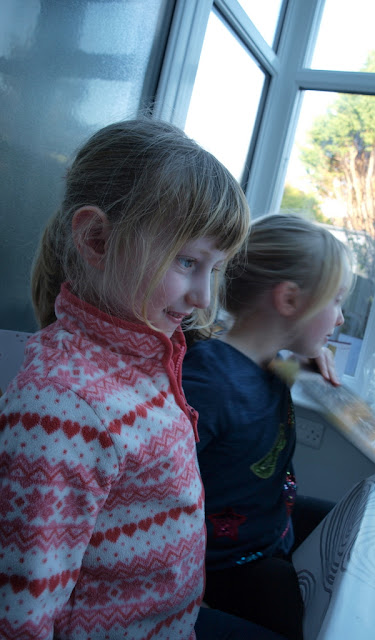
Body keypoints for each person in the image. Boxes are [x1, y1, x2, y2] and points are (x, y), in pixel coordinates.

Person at [0, 119, 286, 640]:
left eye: (214, 268)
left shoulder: (146, 357)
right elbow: (21, 614)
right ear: (97, 239)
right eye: (187, 261)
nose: (203, 296)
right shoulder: (62, 408)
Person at [182, 212, 354, 640]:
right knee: (321, 621)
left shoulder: (271, 363)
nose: (340, 319)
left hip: (271, 533)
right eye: (335, 301)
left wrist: (302, 364)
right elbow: (157, 488)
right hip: (227, 567)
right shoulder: (210, 382)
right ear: (290, 300)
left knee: (352, 529)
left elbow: (261, 382)